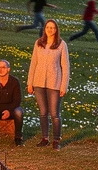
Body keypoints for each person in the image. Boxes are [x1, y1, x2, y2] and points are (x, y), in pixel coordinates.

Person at [26, 20, 69, 150]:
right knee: (43, 112)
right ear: (45, 29)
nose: (50, 30)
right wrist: (30, 83)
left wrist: (64, 86)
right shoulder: (39, 43)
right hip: (39, 82)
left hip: (54, 83)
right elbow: (33, 63)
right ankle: (45, 138)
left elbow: (65, 67)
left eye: (53, 28)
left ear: (56, 30)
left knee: (55, 113)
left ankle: (56, 139)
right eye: (48, 27)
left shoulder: (61, 45)